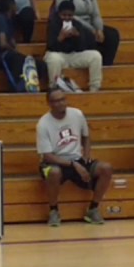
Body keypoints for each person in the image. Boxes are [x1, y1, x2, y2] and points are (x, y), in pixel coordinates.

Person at [40, 87, 113, 226]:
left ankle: (93, 208)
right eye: (56, 101)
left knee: (106, 168)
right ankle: (53, 211)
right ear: (49, 103)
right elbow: (47, 156)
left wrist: (86, 155)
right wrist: (74, 165)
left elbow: (86, 136)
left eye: (62, 99)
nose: (60, 103)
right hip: (55, 161)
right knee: (53, 172)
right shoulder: (43, 124)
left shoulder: (77, 114)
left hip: (77, 159)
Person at [54, 0, 119, 65]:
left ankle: (107, 65)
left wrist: (99, 29)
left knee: (112, 34)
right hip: (73, 24)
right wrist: (91, 30)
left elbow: (96, 15)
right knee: (88, 36)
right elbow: (69, 16)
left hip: (91, 26)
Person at [0, 0, 48, 92]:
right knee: (18, 60)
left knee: (39, 63)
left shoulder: (9, 21)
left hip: (7, 54)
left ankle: (33, 85)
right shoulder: (0, 19)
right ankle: (17, 88)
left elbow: (11, 40)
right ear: (11, 6)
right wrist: (13, 48)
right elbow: (2, 44)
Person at [45, 0, 103, 92]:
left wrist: (78, 37)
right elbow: (50, 47)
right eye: (64, 15)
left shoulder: (77, 24)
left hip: (74, 56)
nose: (67, 18)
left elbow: (82, 48)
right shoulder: (53, 24)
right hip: (58, 55)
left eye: (70, 15)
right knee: (53, 59)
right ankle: (54, 88)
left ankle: (94, 88)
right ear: (59, 14)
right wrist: (60, 38)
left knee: (96, 56)